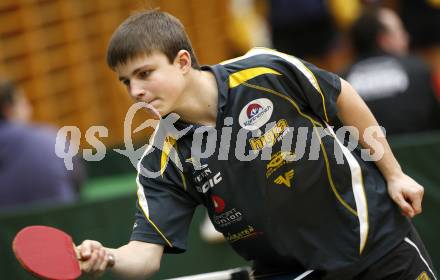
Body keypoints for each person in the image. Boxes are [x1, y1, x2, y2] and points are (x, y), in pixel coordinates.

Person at [77, 10, 437, 280]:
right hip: (292, 273)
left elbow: (342, 95)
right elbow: (145, 255)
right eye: (126, 82)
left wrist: (394, 174)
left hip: (375, 241)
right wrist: (107, 257)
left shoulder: (264, 70)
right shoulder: (163, 159)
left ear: (182, 61)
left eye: (144, 74)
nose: (135, 91)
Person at [343, 7, 440, 135]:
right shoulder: (420, 70)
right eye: (400, 31)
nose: (407, 37)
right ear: (383, 40)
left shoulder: (339, 82)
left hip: (364, 153)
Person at [0, 80, 83, 211]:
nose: (29, 108)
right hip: (60, 226)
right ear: (9, 110)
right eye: (23, 102)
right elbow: (78, 183)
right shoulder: (52, 140)